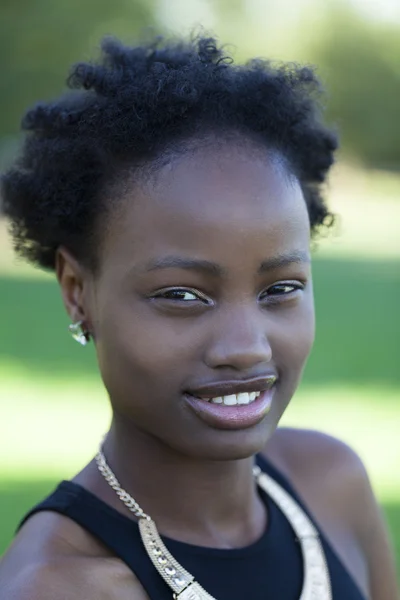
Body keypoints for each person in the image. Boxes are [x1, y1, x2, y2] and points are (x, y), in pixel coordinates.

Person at [0, 34, 397, 600]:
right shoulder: (60, 587)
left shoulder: (331, 484)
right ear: (76, 290)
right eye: (182, 296)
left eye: (280, 288)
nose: (246, 347)